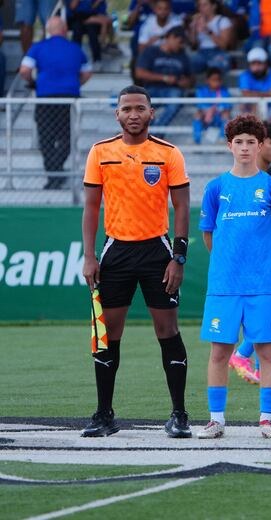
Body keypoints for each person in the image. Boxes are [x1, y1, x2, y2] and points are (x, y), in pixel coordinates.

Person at [81, 85, 192, 439]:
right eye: (126, 108)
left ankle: (179, 415)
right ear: (117, 114)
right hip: (117, 252)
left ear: (151, 113)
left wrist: (178, 257)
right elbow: (91, 207)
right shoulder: (100, 152)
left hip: (157, 252)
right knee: (108, 334)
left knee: (167, 331)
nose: (133, 114)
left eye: (139, 108)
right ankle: (104, 414)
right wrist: (88, 255)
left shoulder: (168, 153)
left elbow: (183, 208)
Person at [197, 114, 271, 440]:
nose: (246, 147)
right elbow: (210, 235)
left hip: (262, 286)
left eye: (252, 142)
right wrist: (228, 262)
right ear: (229, 146)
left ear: (260, 145)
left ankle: (267, 419)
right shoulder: (216, 188)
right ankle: (216, 420)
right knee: (219, 352)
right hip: (224, 286)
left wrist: (262, 262)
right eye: (239, 142)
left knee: (267, 352)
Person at [228, 120, 271, 386]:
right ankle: (243, 356)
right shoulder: (247, 179)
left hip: (268, 254)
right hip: (254, 258)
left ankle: (263, 366)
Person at [19, 16, 92, 190]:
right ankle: (57, 171)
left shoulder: (38, 47)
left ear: (47, 30)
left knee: (46, 138)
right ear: (65, 30)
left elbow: (24, 70)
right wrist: (75, 83)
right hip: (69, 99)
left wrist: (33, 83)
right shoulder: (76, 48)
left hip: (45, 98)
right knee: (67, 137)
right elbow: (88, 73)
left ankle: (53, 174)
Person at [135, 26, 194, 130]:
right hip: (151, 89)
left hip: (173, 90)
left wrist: (186, 83)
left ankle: (157, 132)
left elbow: (191, 79)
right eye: (180, 42)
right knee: (140, 106)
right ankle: (151, 133)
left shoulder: (182, 55)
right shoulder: (151, 51)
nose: (181, 45)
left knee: (176, 98)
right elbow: (140, 73)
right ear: (171, 37)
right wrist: (164, 78)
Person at [239, 47, 271, 126]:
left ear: (266, 63)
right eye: (253, 64)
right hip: (253, 109)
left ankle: (266, 134)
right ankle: (261, 134)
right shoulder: (245, 75)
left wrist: (255, 95)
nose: (256, 67)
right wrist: (265, 95)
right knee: (245, 110)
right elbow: (246, 94)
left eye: (259, 63)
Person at [189, 0, 233, 73]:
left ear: (214, 6)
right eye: (200, 5)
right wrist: (193, 28)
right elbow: (193, 45)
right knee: (188, 65)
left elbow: (224, 45)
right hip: (201, 52)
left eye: (205, 5)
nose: (201, 8)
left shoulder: (223, 20)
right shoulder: (197, 21)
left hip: (217, 52)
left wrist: (208, 31)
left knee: (219, 65)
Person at [192, 67, 232, 144]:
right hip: (206, 118)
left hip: (218, 118)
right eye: (214, 80)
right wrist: (210, 111)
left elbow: (227, 107)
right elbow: (201, 107)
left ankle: (221, 139)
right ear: (207, 80)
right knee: (197, 115)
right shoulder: (201, 91)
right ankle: (197, 140)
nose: (216, 82)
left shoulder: (224, 91)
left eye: (218, 80)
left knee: (226, 114)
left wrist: (215, 110)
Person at [67, 0, 112, 65]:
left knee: (92, 31)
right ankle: (75, 58)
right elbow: (72, 7)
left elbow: (92, 9)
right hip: (75, 18)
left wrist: (97, 3)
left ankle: (97, 59)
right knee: (77, 31)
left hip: (90, 17)